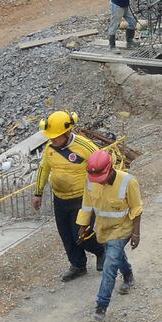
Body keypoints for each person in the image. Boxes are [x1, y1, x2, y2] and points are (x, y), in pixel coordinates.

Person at [33, 111, 104, 281]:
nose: (52, 140)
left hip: (82, 199)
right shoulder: (50, 149)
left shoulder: (85, 147)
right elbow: (44, 169)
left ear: (66, 133)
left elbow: (104, 164)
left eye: (55, 137)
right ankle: (78, 265)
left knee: (81, 235)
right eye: (50, 137)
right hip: (60, 199)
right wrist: (38, 192)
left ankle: (101, 250)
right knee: (66, 234)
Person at [77, 150, 143, 322]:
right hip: (103, 229)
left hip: (122, 229)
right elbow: (86, 204)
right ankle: (128, 275)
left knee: (109, 264)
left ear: (110, 168)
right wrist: (83, 226)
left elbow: (137, 209)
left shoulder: (129, 182)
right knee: (115, 257)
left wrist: (136, 233)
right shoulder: (90, 180)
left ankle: (100, 308)